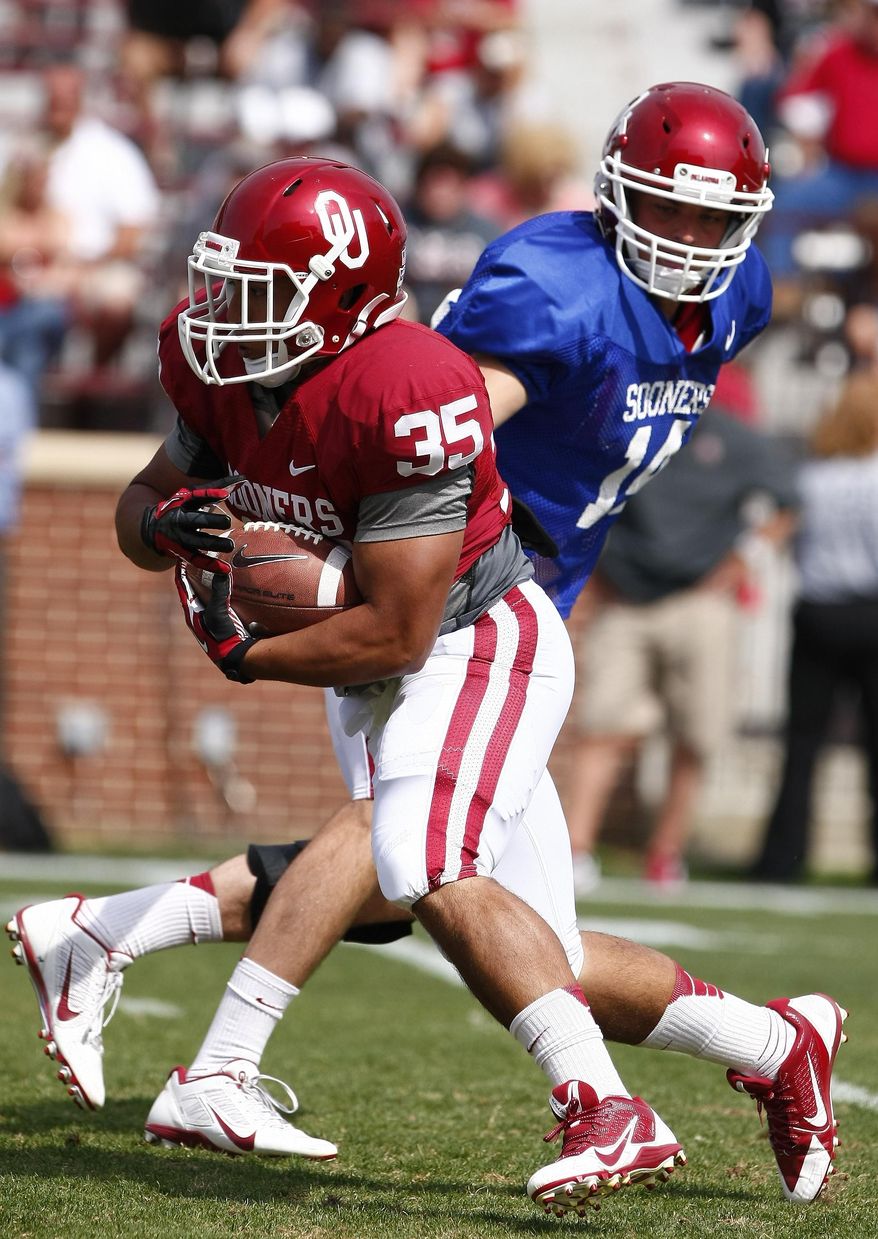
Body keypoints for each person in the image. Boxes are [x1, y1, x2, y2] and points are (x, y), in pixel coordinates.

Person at [7, 85, 846, 1210]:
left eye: (713, 220)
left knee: (420, 858)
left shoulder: (734, 289)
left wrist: (282, 619)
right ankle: (767, 1043)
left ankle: (174, 1008)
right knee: (504, 925)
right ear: (612, 192)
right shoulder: (544, 288)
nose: (690, 241)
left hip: (496, 600)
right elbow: (431, 436)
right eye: (667, 210)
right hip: (446, 566)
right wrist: (306, 539)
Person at [564, 374, 799, 891]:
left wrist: (742, 563)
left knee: (696, 735)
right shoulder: (628, 432)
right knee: (602, 727)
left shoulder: (734, 437)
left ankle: (665, 855)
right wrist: (599, 570)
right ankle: (576, 850)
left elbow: (788, 503)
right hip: (627, 604)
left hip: (700, 603)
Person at [752, 369, 878, 884]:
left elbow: (789, 544)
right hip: (870, 612)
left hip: (817, 613)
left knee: (802, 744)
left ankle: (782, 861)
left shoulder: (811, 478)